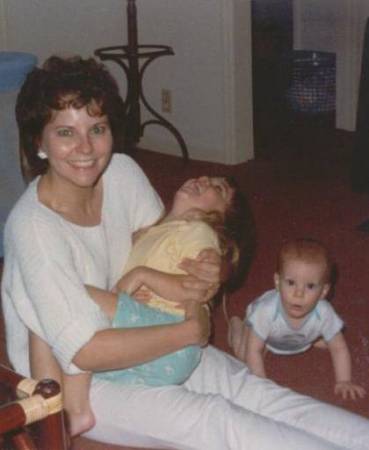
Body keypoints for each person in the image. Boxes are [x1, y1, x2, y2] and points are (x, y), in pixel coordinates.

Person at [2, 55, 369, 450]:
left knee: (252, 392)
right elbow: (87, 350)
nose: (86, 148)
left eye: (97, 128)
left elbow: (166, 244)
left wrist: (217, 269)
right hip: (75, 375)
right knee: (217, 420)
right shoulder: (33, 229)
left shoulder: (120, 171)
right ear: (38, 141)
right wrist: (187, 332)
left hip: (137, 321)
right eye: (65, 133)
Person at [31, 174, 245, 435]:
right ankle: (48, 410)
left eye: (218, 188)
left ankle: (73, 410)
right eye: (207, 176)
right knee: (46, 315)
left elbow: (193, 291)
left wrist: (140, 276)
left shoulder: (198, 232)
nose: (204, 180)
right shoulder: (151, 232)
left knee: (64, 294)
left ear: (221, 217)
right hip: (147, 342)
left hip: (170, 335)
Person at [228, 238, 366, 401]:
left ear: (323, 291)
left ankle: (310, 339)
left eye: (310, 286)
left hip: (297, 337)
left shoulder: (324, 313)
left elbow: (339, 348)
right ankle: (236, 326)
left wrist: (344, 381)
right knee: (244, 356)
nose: (298, 294)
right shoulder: (265, 312)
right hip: (263, 335)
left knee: (330, 340)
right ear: (278, 282)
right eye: (291, 283)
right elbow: (254, 350)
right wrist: (261, 383)